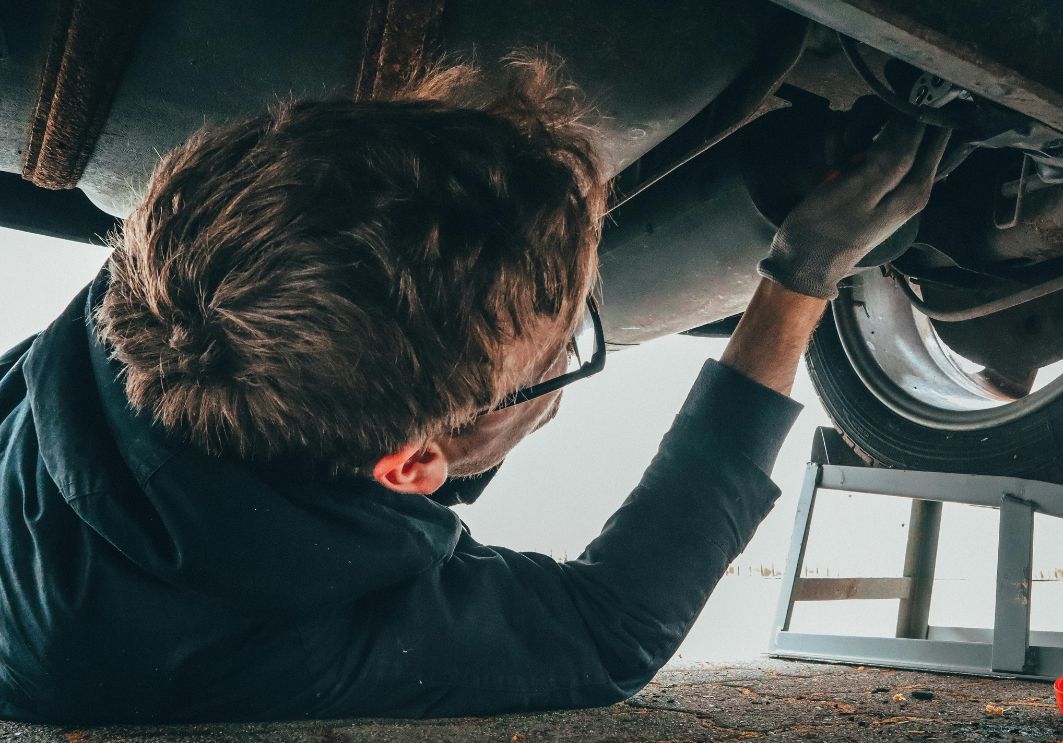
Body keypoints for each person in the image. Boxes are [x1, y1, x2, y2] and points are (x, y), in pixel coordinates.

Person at [0, 58, 948, 723]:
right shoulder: (224, 638)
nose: (575, 332)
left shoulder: (181, 278)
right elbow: (610, 629)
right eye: (566, 346)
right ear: (411, 464)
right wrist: (797, 279)